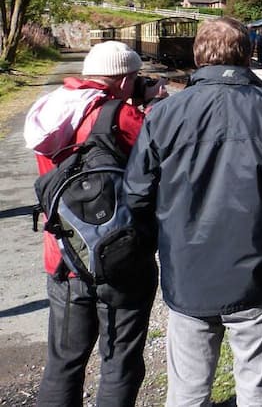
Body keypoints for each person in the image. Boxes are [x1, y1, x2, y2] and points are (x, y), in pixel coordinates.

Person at [124, 17, 262, 405]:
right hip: (261, 275)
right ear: (248, 53)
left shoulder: (165, 115)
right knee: (258, 388)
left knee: (187, 390)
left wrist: (163, 249)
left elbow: (136, 196)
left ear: (198, 55)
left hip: (187, 276)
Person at [23, 41, 164, 406]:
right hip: (120, 258)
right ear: (122, 79)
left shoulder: (48, 110)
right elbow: (156, 169)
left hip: (65, 257)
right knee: (119, 361)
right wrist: (147, 109)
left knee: (64, 362)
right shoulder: (121, 116)